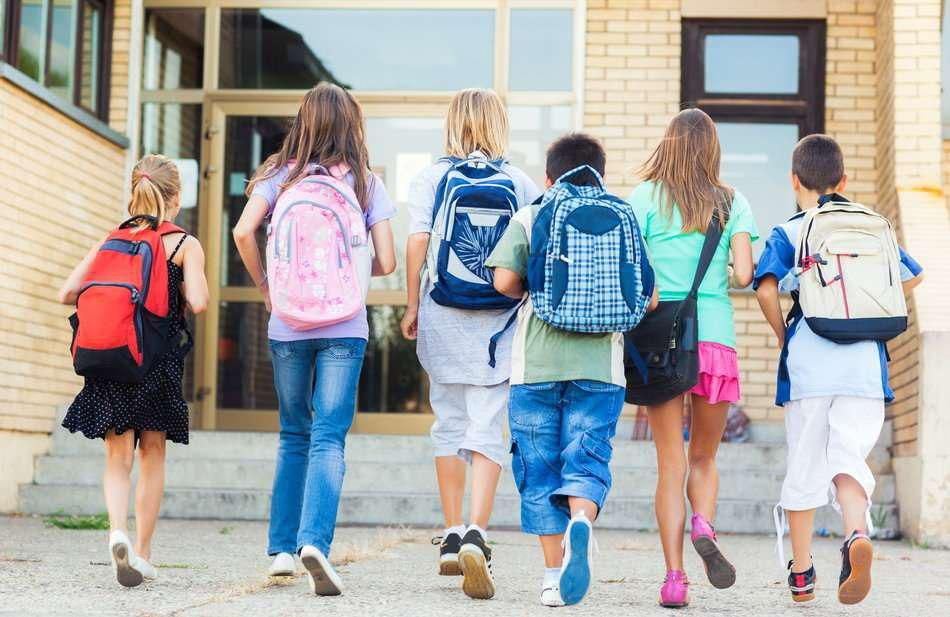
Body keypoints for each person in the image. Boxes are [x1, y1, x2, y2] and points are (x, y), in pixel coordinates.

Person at [233, 83, 396, 596]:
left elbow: (242, 232)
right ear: (352, 125)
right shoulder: (366, 183)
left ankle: (281, 549)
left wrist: (267, 288)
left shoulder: (279, 174)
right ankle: (314, 545)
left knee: (292, 433)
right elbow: (388, 262)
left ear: (302, 121)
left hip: (287, 325)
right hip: (344, 327)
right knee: (329, 436)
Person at [754, 134, 923, 605]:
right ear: (843, 180)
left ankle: (803, 574)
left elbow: (766, 289)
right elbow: (915, 274)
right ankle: (854, 536)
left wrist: (784, 336)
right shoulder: (876, 226)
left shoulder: (789, 230)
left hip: (811, 362)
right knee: (848, 461)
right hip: (865, 365)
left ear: (794, 181)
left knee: (806, 463)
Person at [486, 133, 654, 607]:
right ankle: (582, 519)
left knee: (539, 470)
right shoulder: (625, 216)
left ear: (549, 176)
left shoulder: (534, 213)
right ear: (601, 173)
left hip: (535, 365)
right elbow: (650, 295)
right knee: (586, 459)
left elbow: (504, 281)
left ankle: (551, 575)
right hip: (601, 367)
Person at [400, 88, 541, 600]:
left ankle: (452, 531)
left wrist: (411, 305)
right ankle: (478, 535)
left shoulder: (431, 177)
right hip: (499, 323)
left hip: (442, 312)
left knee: (448, 422)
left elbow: (417, 242)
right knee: (488, 424)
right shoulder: (520, 181)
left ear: (452, 123)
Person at [628, 108, 758, 608]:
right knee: (704, 457)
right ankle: (704, 522)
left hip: (660, 342)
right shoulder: (733, 201)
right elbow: (744, 275)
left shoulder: (643, 198)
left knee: (670, 464)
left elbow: (635, 271)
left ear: (669, 145)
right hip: (716, 341)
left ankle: (674, 579)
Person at [60, 154, 209, 587]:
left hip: (111, 358)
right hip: (155, 362)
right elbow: (197, 302)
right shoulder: (183, 244)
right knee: (152, 454)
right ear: (175, 198)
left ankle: (116, 533)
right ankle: (142, 553)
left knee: (116, 456)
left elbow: (66, 292)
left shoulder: (111, 242)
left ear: (134, 193)